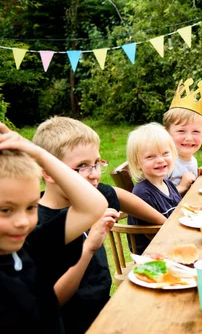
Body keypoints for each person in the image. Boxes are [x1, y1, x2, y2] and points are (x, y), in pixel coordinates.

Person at [31, 116, 167, 334]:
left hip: (107, 311)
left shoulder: (95, 194)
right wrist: (87, 249)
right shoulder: (34, 224)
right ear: (48, 172)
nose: (94, 174)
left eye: (96, 163)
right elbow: (51, 301)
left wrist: (166, 224)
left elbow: (120, 196)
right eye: (82, 166)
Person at [0, 123, 107, 333]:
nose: (22, 221)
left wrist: (37, 154)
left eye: (31, 207)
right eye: (5, 210)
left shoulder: (29, 248)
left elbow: (93, 206)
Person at [127, 123, 182, 253]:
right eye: (150, 156)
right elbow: (151, 234)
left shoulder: (168, 184)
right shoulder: (143, 193)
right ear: (137, 163)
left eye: (165, 153)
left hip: (173, 243)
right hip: (153, 255)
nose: (160, 160)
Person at [164, 78, 202, 195]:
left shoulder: (192, 160)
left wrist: (196, 176)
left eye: (196, 132)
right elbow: (157, 198)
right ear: (166, 133)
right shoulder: (165, 163)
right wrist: (181, 186)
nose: (189, 138)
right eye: (181, 131)